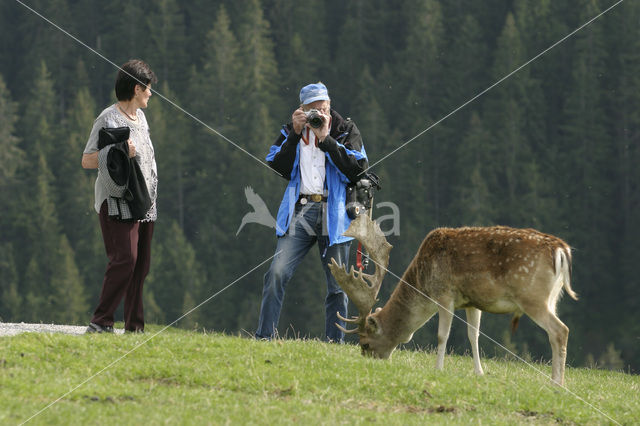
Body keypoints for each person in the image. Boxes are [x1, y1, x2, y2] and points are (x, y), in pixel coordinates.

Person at [256, 82, 368, 342]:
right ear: (302, 109)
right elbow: (276, 165)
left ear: (330, 106)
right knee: (276, 273)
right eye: (314, 110)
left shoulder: (344, 129)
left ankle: (334, 344)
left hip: (336, 213)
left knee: (337, 286)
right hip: (302, 208)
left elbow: (358, 168)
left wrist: (326, 139)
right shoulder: (291, 131)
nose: (320, 114)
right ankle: (264, 337)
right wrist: (295, 134)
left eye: (324, 108)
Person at [81, 59, 158, 333]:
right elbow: (87, 160)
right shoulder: (107, 118)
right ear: (137, 88)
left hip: (144, 201)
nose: (151, 93)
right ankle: (101, 322)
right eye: (148, 88)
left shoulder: (141, 117)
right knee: (125, 260)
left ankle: (134, 328)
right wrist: (120, 151)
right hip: (116, 202)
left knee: (141, 267)